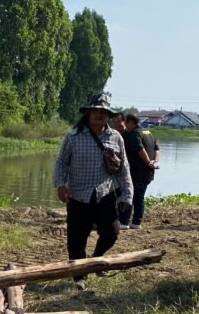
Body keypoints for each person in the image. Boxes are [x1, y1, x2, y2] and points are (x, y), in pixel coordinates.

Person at [54, 94, 133, 289]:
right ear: (88, 114)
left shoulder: (116, 137)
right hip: (78, 195)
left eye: (104, 112)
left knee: (111, 232)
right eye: (95, 111)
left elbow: (124, 168)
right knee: (76, 239)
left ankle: (96, 259)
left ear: (108, 116)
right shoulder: (73, 136)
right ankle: (79, 277)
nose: (99, 115)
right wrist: (60, 185)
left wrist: (127, 195)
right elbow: (62, 162)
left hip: (106, 193)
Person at [119, 113, 160, 229]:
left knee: (130, 195)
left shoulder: (134, 133)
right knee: (139, 197)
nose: (125, 126)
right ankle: (136, 222)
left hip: (137, 172)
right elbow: (157, 149)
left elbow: (140, 149)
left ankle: (125, 222)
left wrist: (148, 162)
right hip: (148, 172)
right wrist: (155, 161)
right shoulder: (148, 132)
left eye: (126, 123)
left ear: (131, 122)